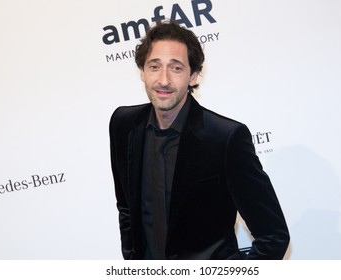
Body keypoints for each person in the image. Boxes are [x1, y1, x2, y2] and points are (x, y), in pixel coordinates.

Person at [109, 20, 290, 260]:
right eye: (154, 66)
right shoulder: (123, 124)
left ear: (193, 76)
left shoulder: (226, 139)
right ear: (142, 72)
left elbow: (274, 236)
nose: (163, 80)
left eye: (176, 68)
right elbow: (127, 210)